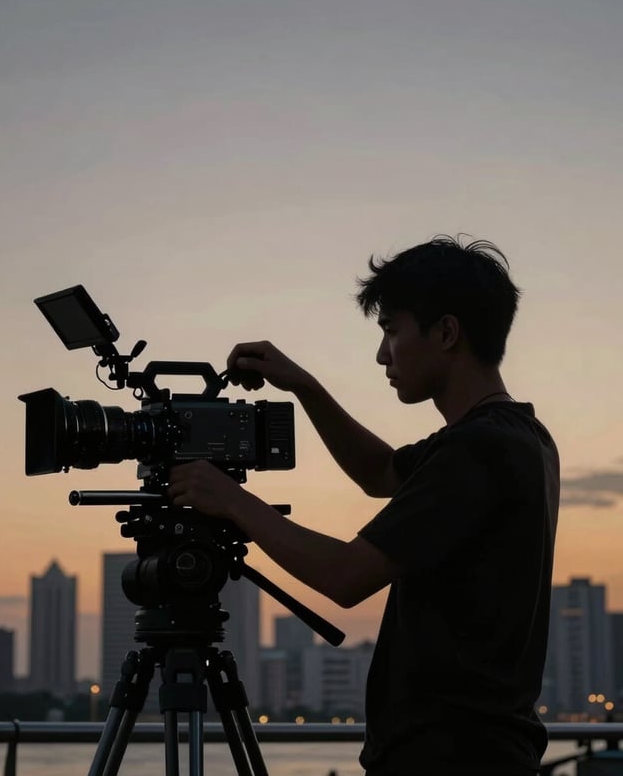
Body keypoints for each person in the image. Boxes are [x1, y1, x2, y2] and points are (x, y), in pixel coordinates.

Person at [167, 235, 560, 776]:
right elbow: (379, 473)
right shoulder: (520, 437)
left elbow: (346, 576)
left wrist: (231, 500)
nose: (382, 355)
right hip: (482, 749)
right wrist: (304, 387)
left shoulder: (478, 449)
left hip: (448, 755)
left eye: (391, 331)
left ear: (446, 333)